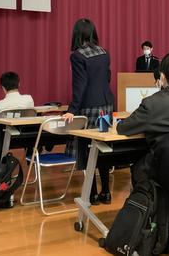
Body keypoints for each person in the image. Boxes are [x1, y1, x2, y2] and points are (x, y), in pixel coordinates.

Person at [62, 18, 115, 205]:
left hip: (89, 107)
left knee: (87, 149)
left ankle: (92, 194)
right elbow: (107, 78)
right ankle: (106, 192)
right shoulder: (104, 52)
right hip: (106, 106)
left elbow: (80, 85)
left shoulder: (77, 56)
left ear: (77, 34)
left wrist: (72, 110)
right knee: (102, 146)